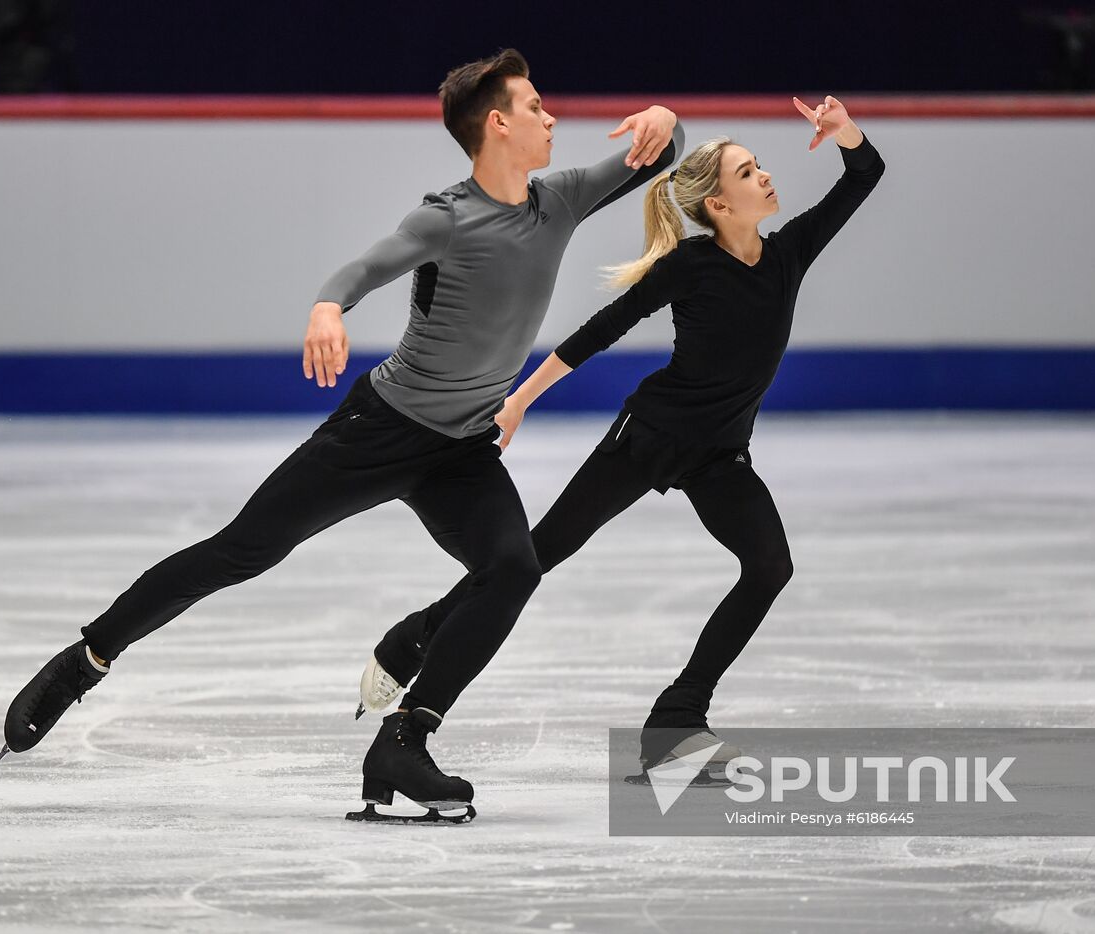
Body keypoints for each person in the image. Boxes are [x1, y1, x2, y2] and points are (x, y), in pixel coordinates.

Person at [1, 48, 684, 824]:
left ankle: (405, 739)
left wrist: (669, 119)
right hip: (380, 430)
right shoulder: (447, 216)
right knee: (242, 550)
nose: (552, 116)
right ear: (497, 124)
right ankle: (84, 660)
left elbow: (662, 149)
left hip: (459, 449)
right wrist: (328, 308)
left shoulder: (559, 199)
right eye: (535, 106)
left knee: (513, 568)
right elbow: (363, 269)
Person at [359, 95, 884, 777]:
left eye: (759, 168)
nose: (766, 178)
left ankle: (677, 718)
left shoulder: (789, 254)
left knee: (770, 567)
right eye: (749, 173)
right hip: (649, 437)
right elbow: (599, 332)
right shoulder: (691, 267)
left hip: (720, 454)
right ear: (720, 206)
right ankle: (417, 639)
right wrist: (517, 401)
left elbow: (863, 174)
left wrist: (844, 132)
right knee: (538, 555)